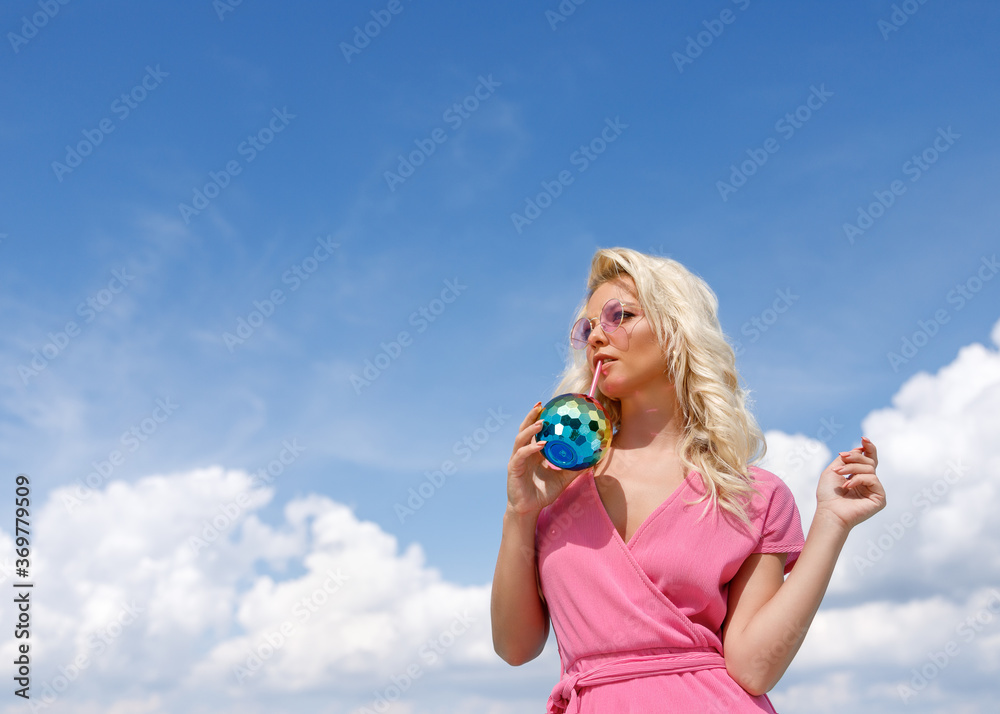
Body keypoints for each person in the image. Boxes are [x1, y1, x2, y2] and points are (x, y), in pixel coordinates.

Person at [490, 247, 886, 713]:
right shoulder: (555, 486)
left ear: (676, 328)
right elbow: (515, 648)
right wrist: (521, 512)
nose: (598, 336)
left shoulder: (751, 494)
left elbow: (754, 669)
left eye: (620, 315)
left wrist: (832, 522)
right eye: (589, 327)